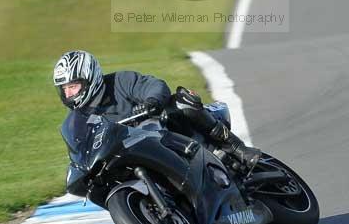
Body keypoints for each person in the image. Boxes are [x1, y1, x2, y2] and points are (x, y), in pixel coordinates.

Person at [53, 49, 260, 167]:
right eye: (65, 89)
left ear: (90, 78)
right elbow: (80, 147)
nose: (69, 93)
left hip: (162, 133)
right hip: (131, 155)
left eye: (73, 86)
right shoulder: (78, 118)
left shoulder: (120, 81)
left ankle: (236, 148)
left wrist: (151, 102)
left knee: (181, 101)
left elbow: (154, 85)